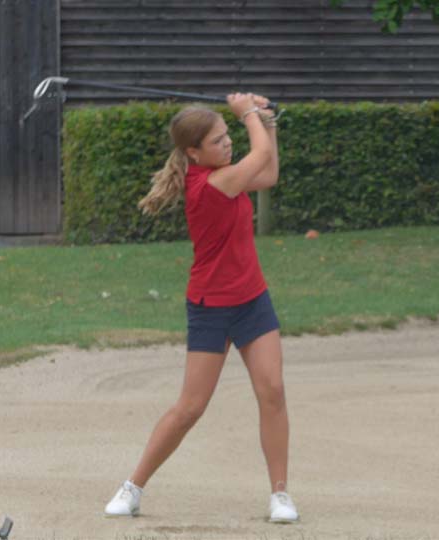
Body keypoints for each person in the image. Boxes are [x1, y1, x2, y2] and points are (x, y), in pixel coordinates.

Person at [103, 94, 298, 523]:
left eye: (228, 136)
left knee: (273, 391)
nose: (228, 144)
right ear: (194, 153)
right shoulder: (209, 185)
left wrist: (269, 123)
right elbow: (259, 155)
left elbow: (268, 173)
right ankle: (132, 487)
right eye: (218, 140)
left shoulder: (226, 173)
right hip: (211, 307)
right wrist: (248, 114)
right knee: (190, 407)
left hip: (252, 300)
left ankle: (280, 495)